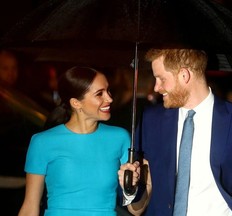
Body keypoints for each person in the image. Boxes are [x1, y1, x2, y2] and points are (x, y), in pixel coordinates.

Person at [125, 49, 232, 215]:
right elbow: (138, 202)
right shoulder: (150, 120)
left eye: (161, 79)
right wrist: (131, 186)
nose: (156, 87)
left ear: (184, 76)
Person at [18, 66, 142, 216]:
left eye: (108, 91)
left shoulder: (120, 137)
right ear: (76, 103)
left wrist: (141, 185)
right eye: (99, 94)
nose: (109, 98)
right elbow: (30, 207)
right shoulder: (42, 142)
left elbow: (136, 210)